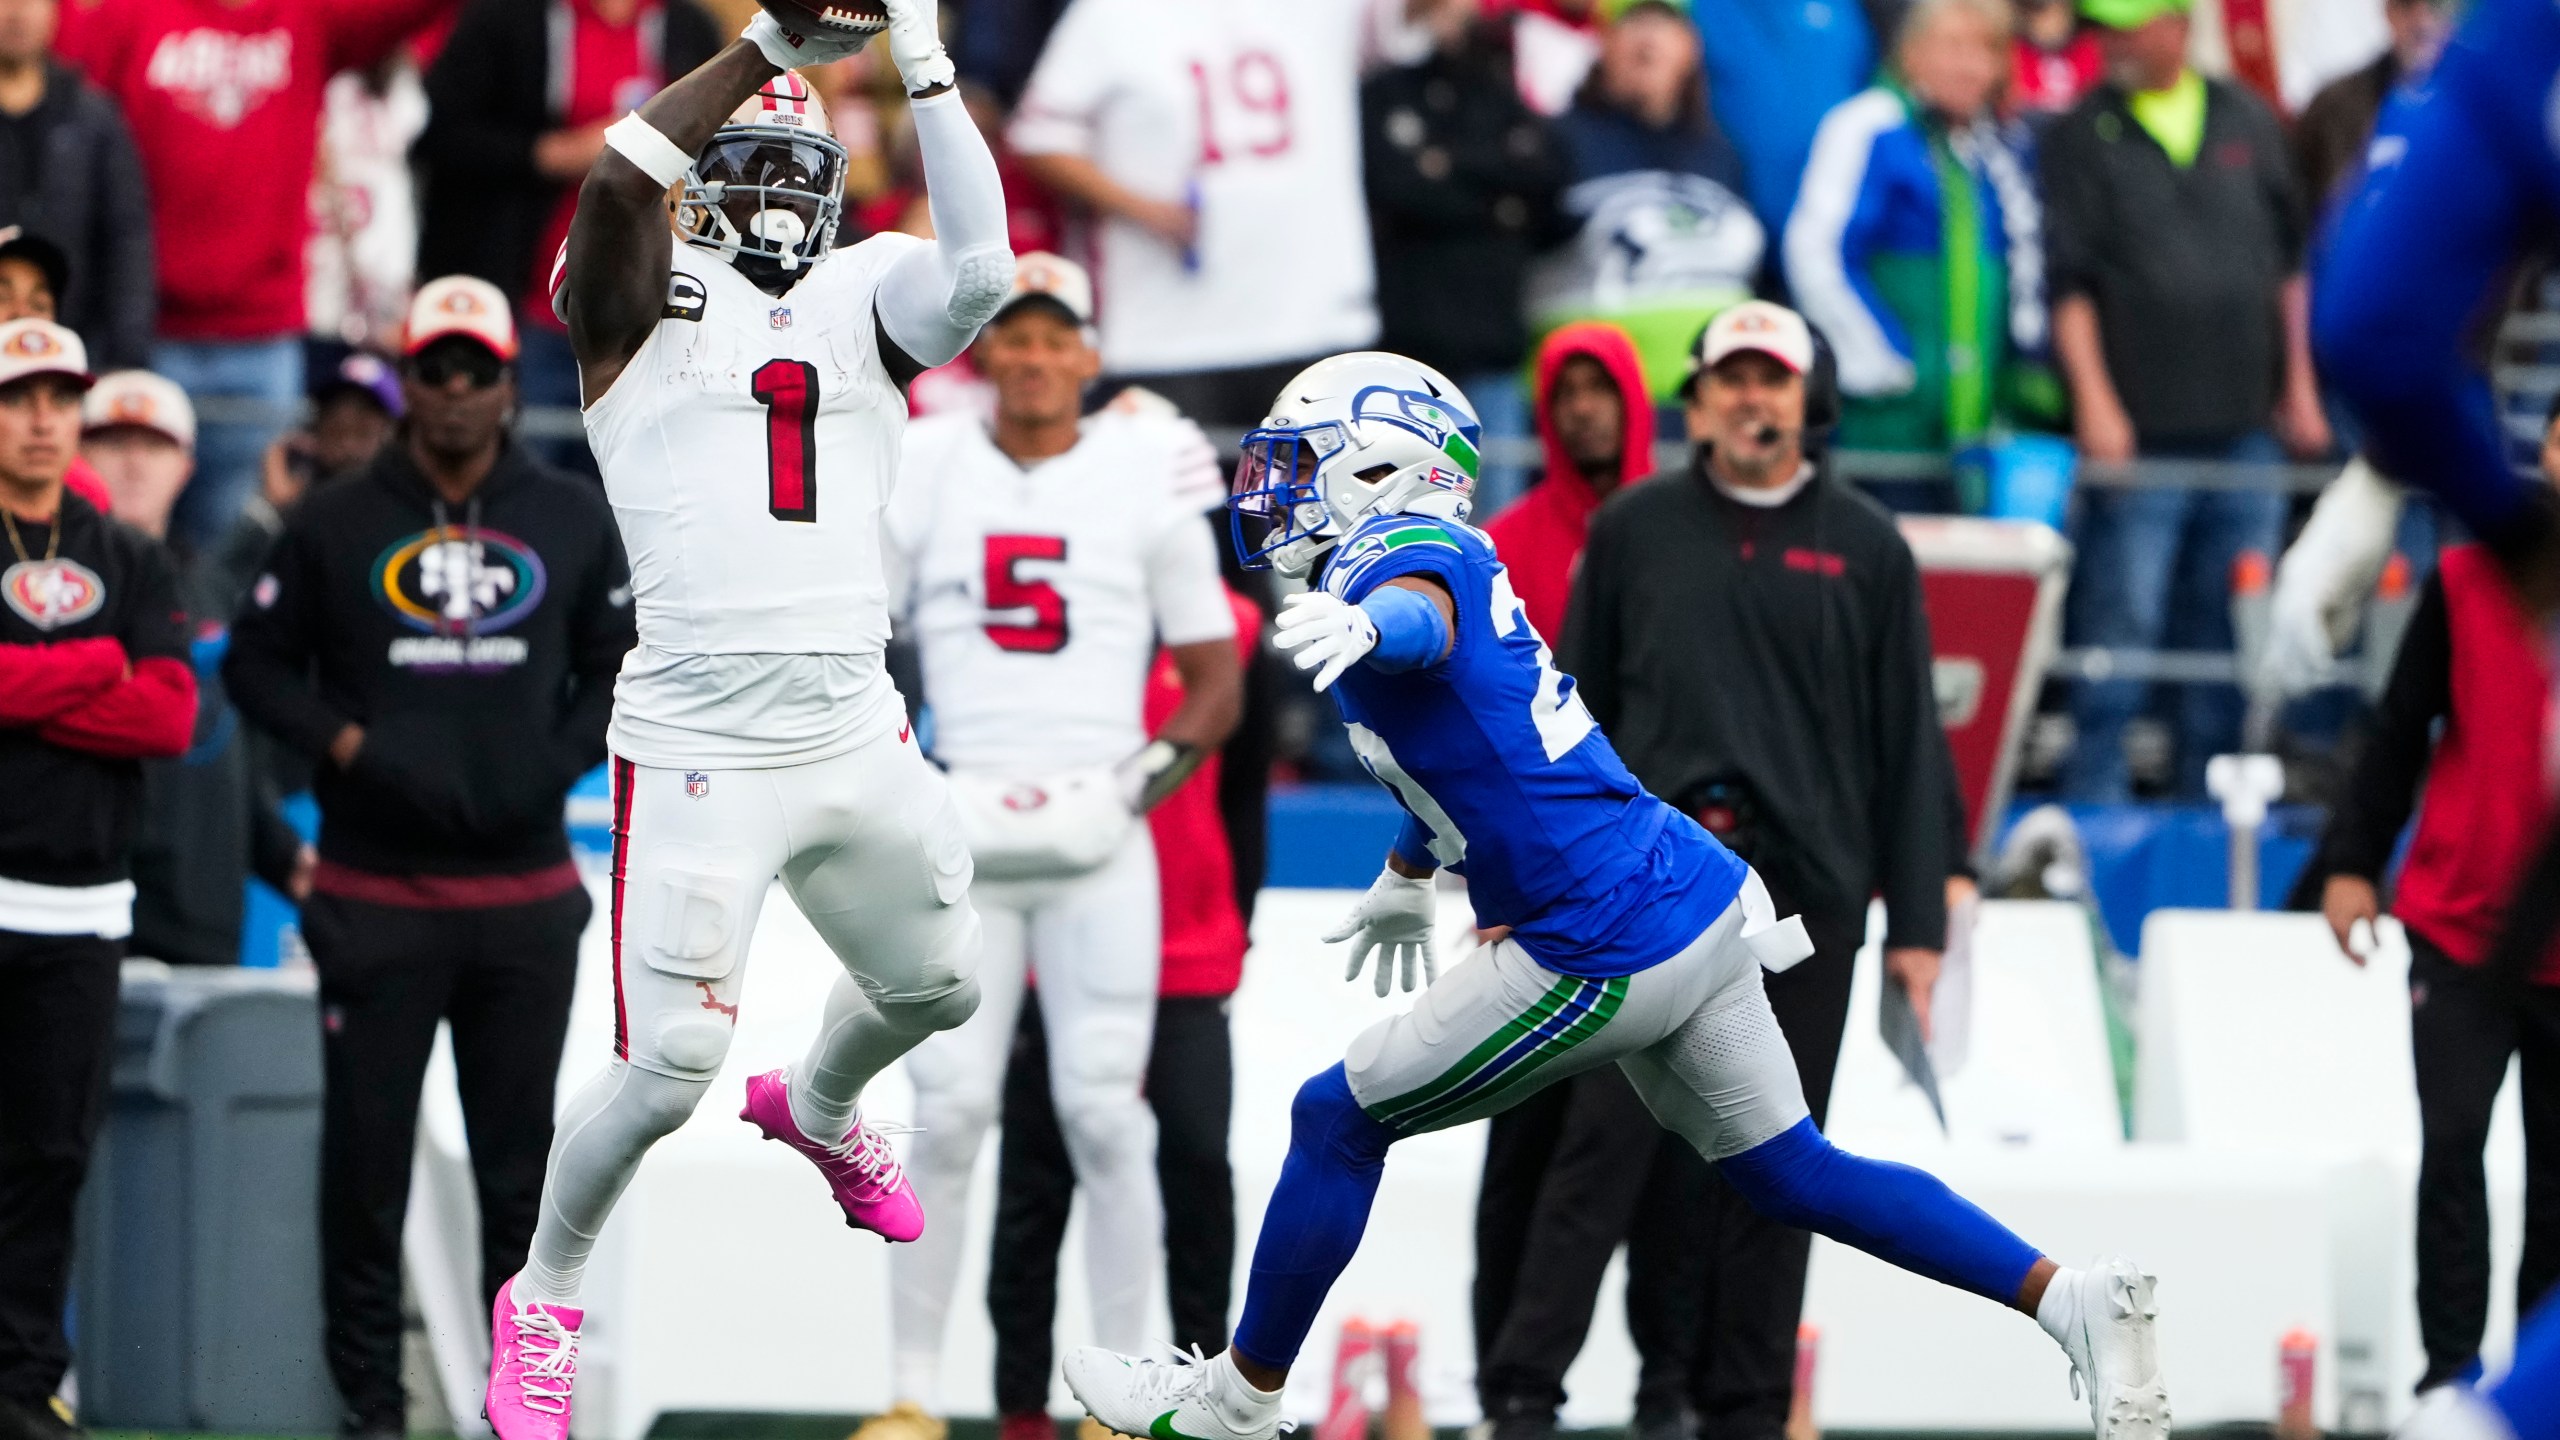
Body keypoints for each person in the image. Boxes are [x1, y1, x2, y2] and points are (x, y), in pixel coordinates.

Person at [1057, 345, 2170, 1440]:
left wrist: (1369, 623)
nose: (1281, 485)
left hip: (1599, 936)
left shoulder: (1393, 554)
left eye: (1306, 459)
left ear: (1379, 466)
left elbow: (1418, 622)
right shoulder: (1443, 544)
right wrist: (1407, 870)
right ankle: (2070, 1298)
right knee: (1794, 1173)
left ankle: (1238, 1402)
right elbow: (1469, 741)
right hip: (1685, 891)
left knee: (1335, 1119)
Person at [482, 6, 1018, 1434]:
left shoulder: (868, 291)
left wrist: (922, 63)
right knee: (663, 1071)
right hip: (703, 742)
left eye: (802, 169)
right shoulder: (635, 300)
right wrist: (771, 39)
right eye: (749, 168)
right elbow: (608, 186)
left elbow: (986, 267)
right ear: (697, 184)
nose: (781, 195)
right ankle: (543, 1295)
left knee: (940, 988)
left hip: (852, 721)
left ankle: (824, 1109)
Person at [222, 277, 634, 1440]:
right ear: (407, 381)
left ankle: (518, 1416)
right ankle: (371, 1414)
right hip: (374, 895)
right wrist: (352, 743)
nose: (455, 392)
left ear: (510, 383)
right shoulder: (335, 519)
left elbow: (622, 658)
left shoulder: (566, 513)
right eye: (435, 370)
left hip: (522, 900)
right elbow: (253, 665)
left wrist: (552, 764)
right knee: (365, 1179)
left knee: (522, 1188)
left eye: (477, 371)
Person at [1550, 301, 1958, 1438]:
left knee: (1785, 1165)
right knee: (1636, 1156)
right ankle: (1648, 1392)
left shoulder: (1869, 543)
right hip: (1646, 901)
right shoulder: (1633, 528)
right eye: (1728, 379)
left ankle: (1747, 1403)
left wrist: (1919, 921)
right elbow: (1569, 710)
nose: (1749, 399)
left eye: (1770, 381)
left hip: (1813, 905)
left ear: (1806, 403)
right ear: (1696, 402)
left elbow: (1907, 741)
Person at [865, 253, 1244, 1440]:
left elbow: (1216, 676)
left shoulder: (1144, 471)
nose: (1030, 357)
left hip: (1095, 830)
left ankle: (1119, 1394)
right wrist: (902, 775)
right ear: (985, 349)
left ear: (1088, 352)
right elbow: (855, 633)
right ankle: (913, 1392)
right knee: (949, 1108)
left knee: (1100, 1110)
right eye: (1012, 336)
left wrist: (1134, 783)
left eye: (1053, 337)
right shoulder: (925, 461)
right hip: (962, 817)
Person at [2289, 400, 2560, 1395]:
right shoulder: (2463, 578)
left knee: (2559, 1191)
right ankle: (2447, 1380)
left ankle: (2533, 1391)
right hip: (2456, 928)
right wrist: (2353, 861)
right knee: (2449, 1149)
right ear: (2546, 452)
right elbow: (2400, 727)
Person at [986, 586, 1265, 1440]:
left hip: (1185, 956)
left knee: (1196, 1174)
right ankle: (1024, 1411)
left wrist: (1234, 930)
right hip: (1055, 946)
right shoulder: (1048, 604)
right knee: (1036, 1183)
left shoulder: (1233, 627)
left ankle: (1199, 1399)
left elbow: (1245, 794)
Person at [2041, 0, 2327, 801]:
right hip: (2142, 431)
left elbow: (2290, 265)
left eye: (2128, 25)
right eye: (2105, 27)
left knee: (2232, 635)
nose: (2113, 41)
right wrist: (2096, 401)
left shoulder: (2249, 117)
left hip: (2247, 429)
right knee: (2121, 627)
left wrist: (2300, 386)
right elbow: (2070, 280)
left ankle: (2215, 808)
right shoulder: (2080, 131)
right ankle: (2091, 811)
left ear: (2174, 25)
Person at [55, 0, 460, 551]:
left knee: (239, 550)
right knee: (117, 547)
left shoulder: (303, 17)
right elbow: (48, 81)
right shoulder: (129, 13)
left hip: (259, 342)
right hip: (142, 339)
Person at [0, 318, 196, 1440]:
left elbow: (168, 715)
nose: (40, 419)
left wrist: (26, 689)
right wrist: (89, 668)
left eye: (56, 398)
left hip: (79, 907)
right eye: (19, 397)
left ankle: (20, 1387)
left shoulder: (127, 553)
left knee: (51, 1156)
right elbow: (125, 688)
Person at [1005, 0, 1451, 429]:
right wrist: (1146, 210)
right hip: (1166, 333)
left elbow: (1411, 15)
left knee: (1307, 503)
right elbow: (1039, 134)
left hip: (1311, 317)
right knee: (1178, 502)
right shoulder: (1112, 11)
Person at [416, 0, 723, 470]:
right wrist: (550, 154)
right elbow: (437, 135)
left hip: (655, 319)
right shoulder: (507, 19)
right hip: (534, 310)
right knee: (525, 484)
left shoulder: (689, 27)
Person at [83, 368, 308, 968]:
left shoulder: (219, 599)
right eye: (112, 442)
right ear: (77, 456)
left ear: (185, 465)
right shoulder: (41, 595)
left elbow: (232, 757)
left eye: (153, 446)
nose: (132, 464)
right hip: (70, 908)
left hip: (195, 911)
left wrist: (285, 856)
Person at [1786, 0, 2053, 507]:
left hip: (1972, 433)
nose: (1969, 66)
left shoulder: (1998, 149)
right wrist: (1887, 364)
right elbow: (1815, 252)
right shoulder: (1869, 126)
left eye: (1985, 50)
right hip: (1885, 425)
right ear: (1911, 53)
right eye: (1953, 47)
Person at [1361, 0, 1567, 517]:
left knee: (1494, 527)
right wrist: (1496, 205)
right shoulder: (1384, 92)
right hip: (1405, 357)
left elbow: (1548, 177)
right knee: (1400, 519)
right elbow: (1395, 186)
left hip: (1493, 348)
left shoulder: (1501, 98)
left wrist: (1444, 164)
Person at [1527, 0, 1761, 405]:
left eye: (1664, 25)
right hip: (1595, 406)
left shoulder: (1720, 152)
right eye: (1633, 24)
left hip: (1707, 403)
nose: (1648, 40)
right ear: (1603, 44)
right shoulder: (1555, 143)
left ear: (1691, 48)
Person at [0, 0, 152, 371]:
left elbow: (126, 236)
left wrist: (125, 356)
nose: (17, 12)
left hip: (78, 354)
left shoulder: (94, 118)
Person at [2292, 0, 2450, 215]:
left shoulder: (2493, 110)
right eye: (2406, 5)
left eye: (2436, 5)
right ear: (2388, 13)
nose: (2422, 21)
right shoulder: (2334, 107)